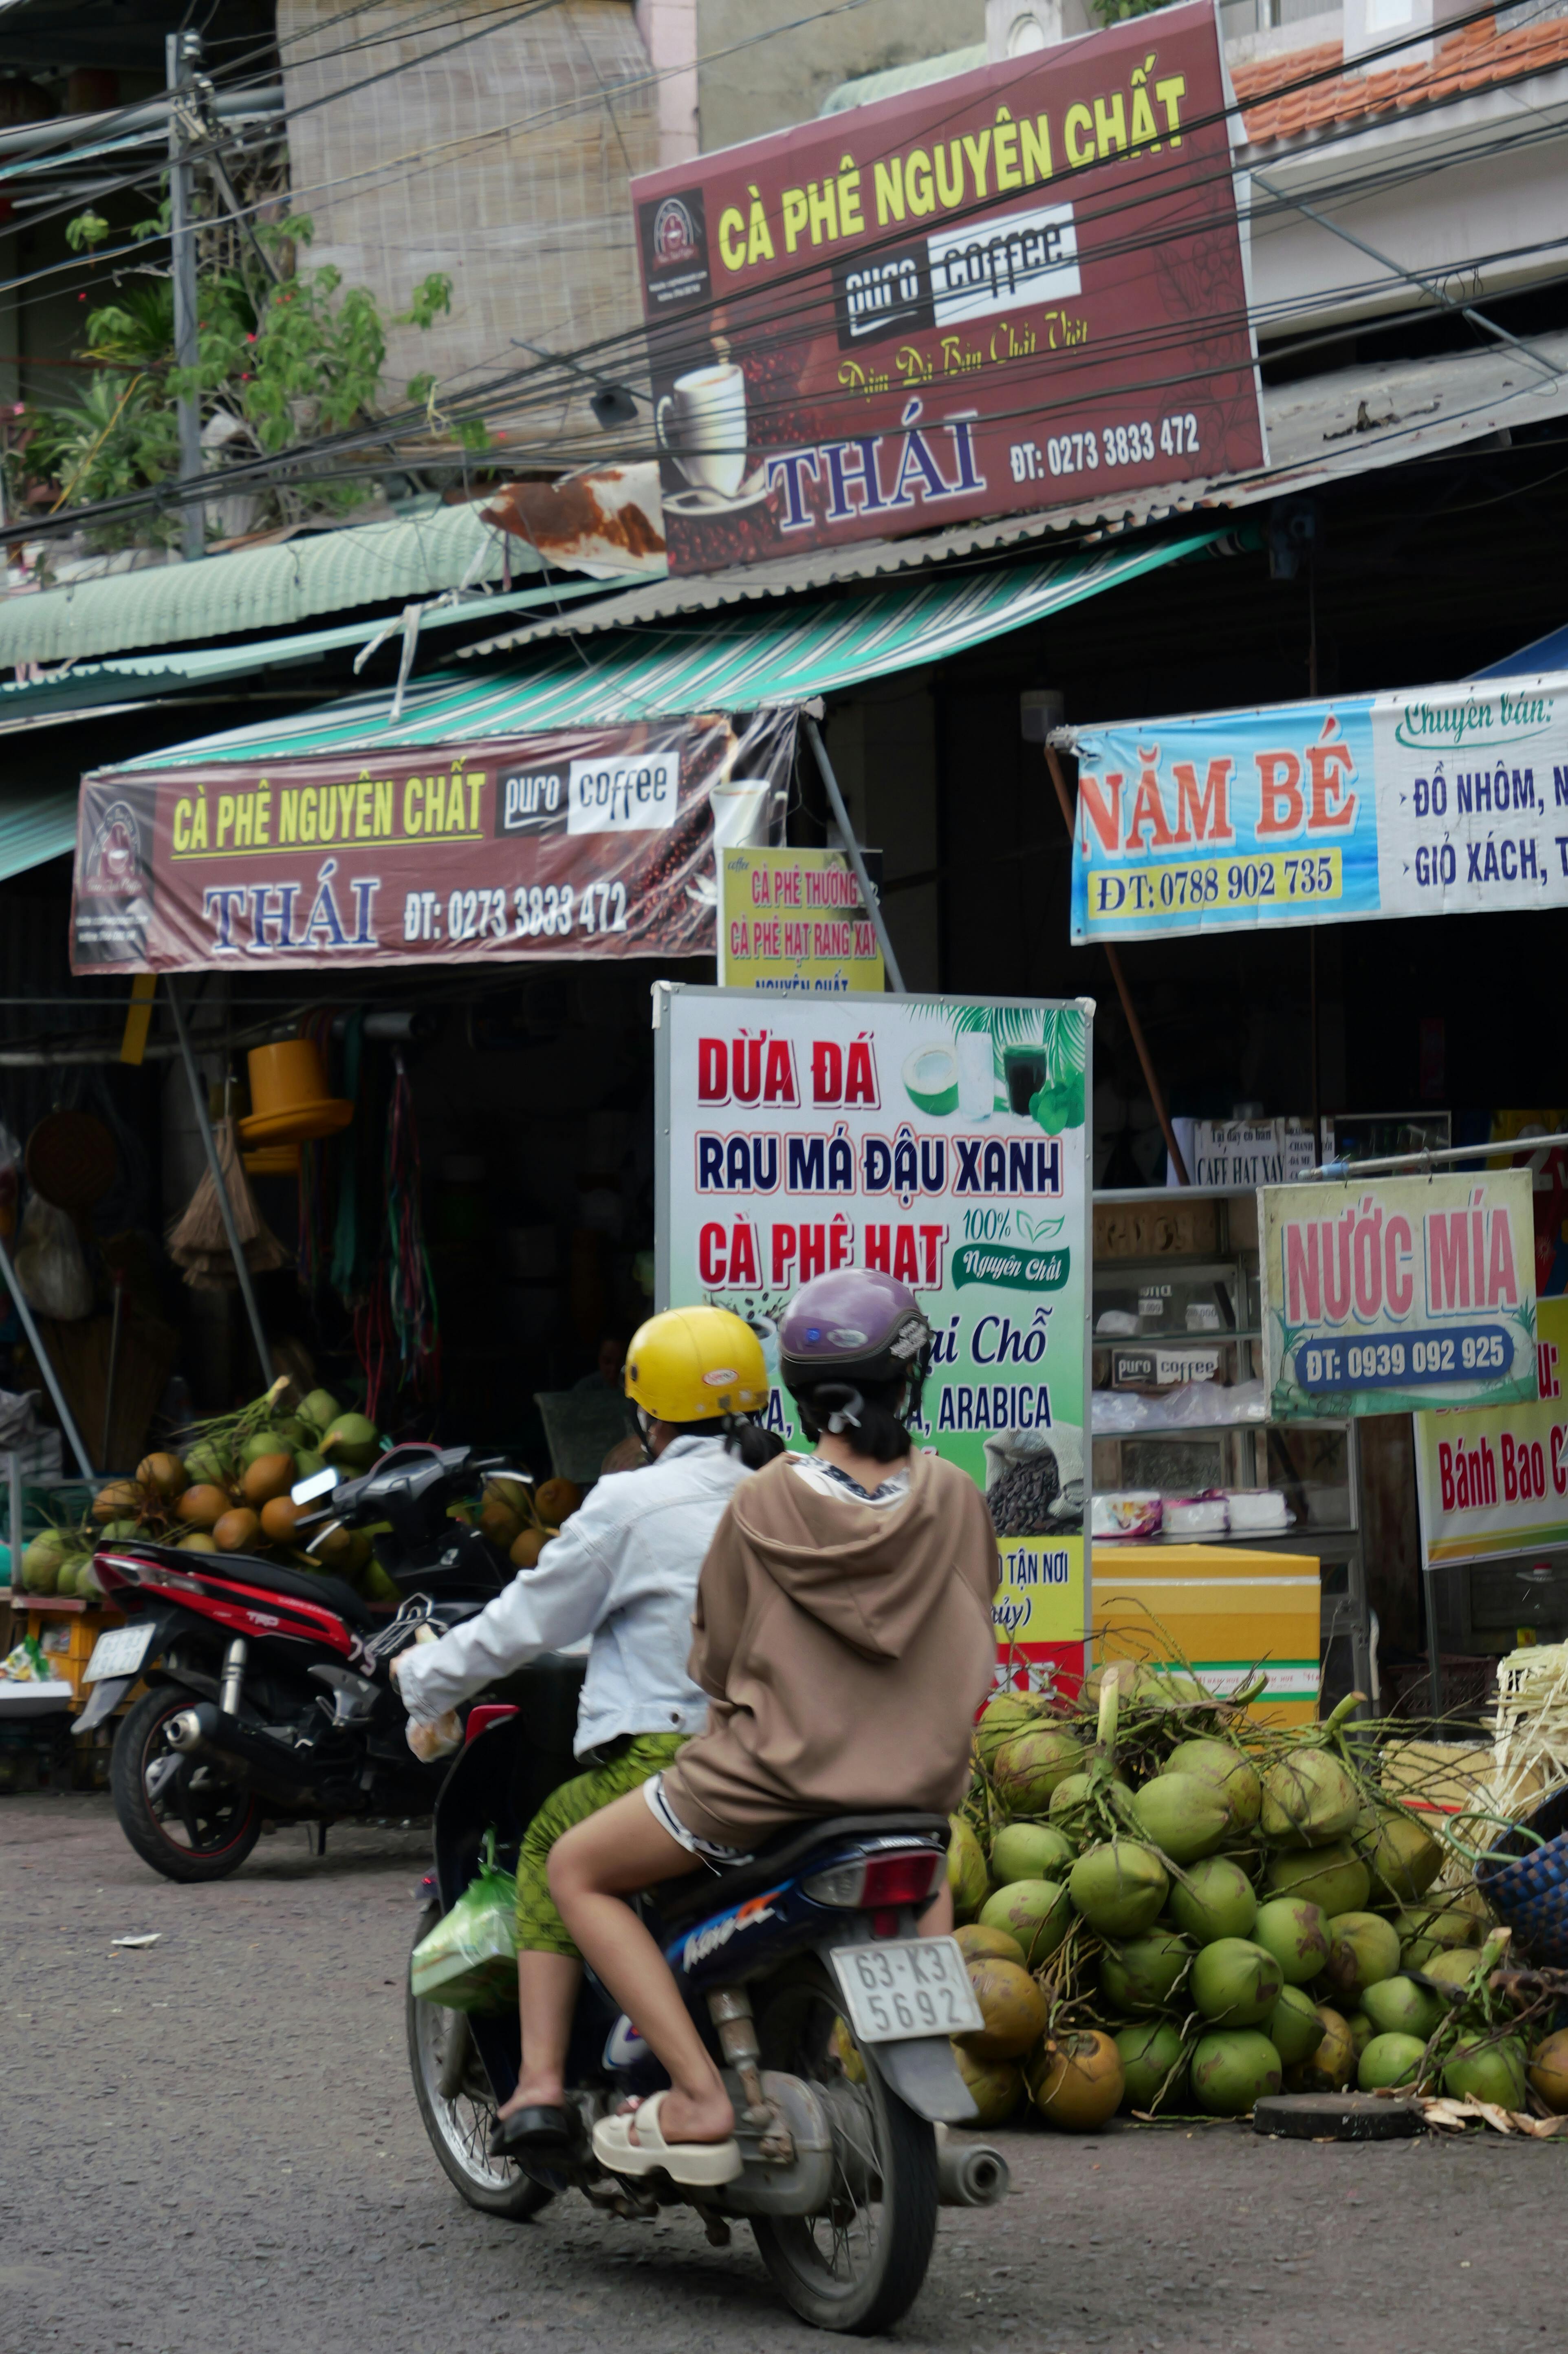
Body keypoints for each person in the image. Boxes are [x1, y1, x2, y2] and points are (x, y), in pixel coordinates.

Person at [548, 1268, 999, 2183]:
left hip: (768, 1783)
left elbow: (713, 1657)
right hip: (916, 1791)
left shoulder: (763, 1499)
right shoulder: (955, 1493)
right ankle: (917, 2087)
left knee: (576, 1867)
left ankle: (698, 2091)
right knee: (925, 1869)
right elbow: (975, 1613)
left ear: (798, 1390)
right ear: (909, 1377)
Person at [393, 1304, 773, 2158]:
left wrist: (422, 1679)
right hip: (804, 1753)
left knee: (553, 1841)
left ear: (648, 1414)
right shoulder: (786, 1485)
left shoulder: (633, 1501)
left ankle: (536, 2085)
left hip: (678, 1758)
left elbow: (522, 1622)